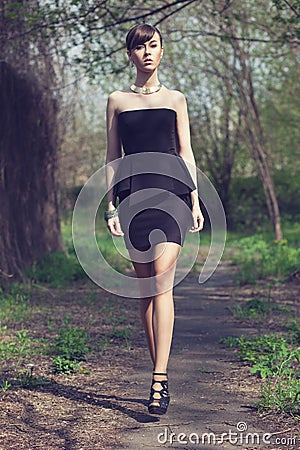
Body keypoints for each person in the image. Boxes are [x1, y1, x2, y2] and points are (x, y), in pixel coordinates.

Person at [105, 23, 204, 415]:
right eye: (139, 46)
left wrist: (195, 200)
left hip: (173, 195)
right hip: (133, 200)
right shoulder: (116, 100)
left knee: (163, 284)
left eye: (153, 45)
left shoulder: (177, 99)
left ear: (163, 51)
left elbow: (187, 152)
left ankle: (158, 381)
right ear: (130, 54)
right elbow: (112, 158)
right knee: (147, 291)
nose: (147, 52)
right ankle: (158, 371)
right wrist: (111, 206)